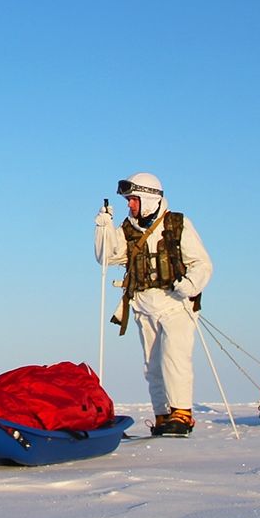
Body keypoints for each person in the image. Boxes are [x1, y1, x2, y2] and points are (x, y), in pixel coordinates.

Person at [94, 173, 213, 437]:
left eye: (133, 199)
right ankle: (162, 415)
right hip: (143, 304)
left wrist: (190, 285)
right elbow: (108, 258)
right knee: (152, 364)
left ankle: (181, 414)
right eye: (128, 200)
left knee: (175, 357)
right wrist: (103, 229)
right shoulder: (126, 228)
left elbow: (202, 263)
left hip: (176, 304)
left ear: (148, 198)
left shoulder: (176, 224)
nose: (129, 205)